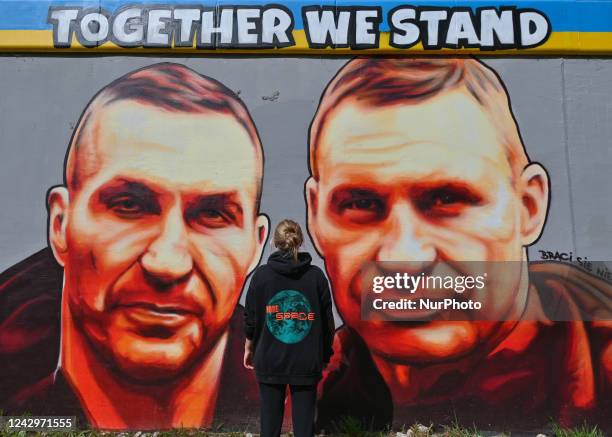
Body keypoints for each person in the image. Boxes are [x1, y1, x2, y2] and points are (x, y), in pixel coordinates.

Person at [305, 57, 612, 431]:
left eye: (447, 200)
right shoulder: (316, 380)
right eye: (361, 204)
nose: (404, 256)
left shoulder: (600, 361)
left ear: (528, 209)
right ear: (315, 218)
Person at [0, 62, 269, 430]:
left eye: (213, 214)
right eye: (129, 206)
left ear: (256, 246)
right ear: (60, 226)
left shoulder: (311, 396)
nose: (167, 262)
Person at [243, 219, 335, 437]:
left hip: (269, 357)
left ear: (274, 243)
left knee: (270, 425)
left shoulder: (262, 276)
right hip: (306, 359)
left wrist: (249, 347)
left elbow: (251, 319)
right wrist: (324, 355)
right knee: (304, 429)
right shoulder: (316, 277)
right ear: (300, 241)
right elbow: (327, 323)